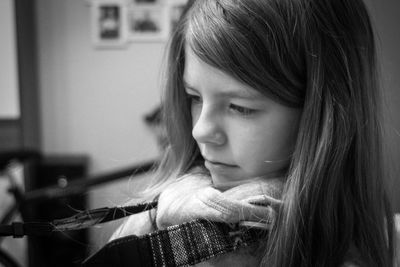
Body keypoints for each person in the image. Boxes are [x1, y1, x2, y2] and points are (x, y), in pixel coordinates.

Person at [110, 0, 397, 266]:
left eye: (240, 107)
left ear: (321, 115)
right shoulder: (156, 220)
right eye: (194, 97)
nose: (200, 131)